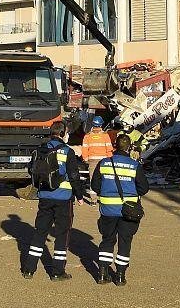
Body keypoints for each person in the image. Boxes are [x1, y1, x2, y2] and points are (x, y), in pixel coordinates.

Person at [21, 120, 86, 281]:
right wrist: (79, 196)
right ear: (63, 134)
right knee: (62, 234)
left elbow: (31, 169)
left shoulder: (40, 149)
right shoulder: (67, 151)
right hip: (63, 198)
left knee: (40, 232)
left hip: (44, 197)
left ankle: (29, 269)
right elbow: (74, 176)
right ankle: (57, 271)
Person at [90, 134, 149, 285]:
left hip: (108, 209)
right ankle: (120, 275)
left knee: (107, 239)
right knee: (125, 241)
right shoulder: (134, 165)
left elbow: (95, 186)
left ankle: (102, 273)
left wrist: (107, 192)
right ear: (129, 148)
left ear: (115, 146)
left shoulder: (104, 163)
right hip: (128, 211)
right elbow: (143, 188)